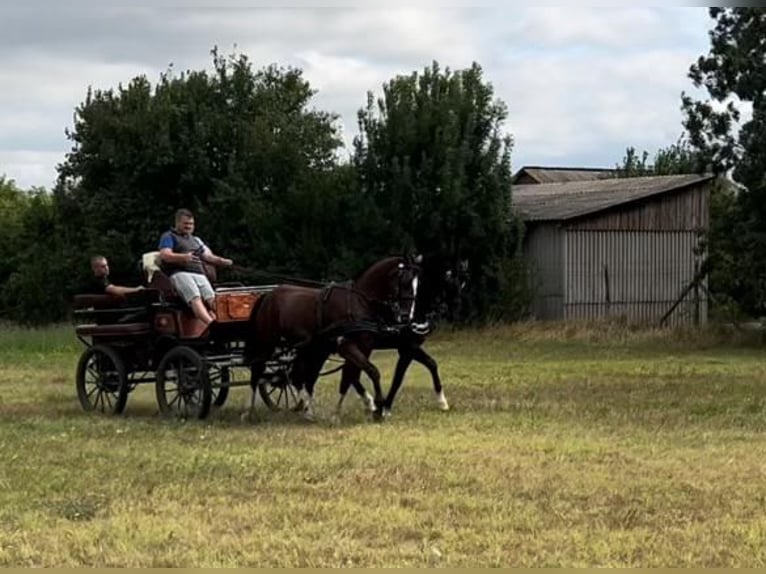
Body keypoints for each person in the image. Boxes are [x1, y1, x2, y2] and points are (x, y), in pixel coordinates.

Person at [158, 208, 233, 327]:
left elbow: (207, 256)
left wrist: (223, 261)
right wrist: (183, 257)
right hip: (180, 273)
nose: (189, 226)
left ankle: (224, 323)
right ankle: (212, 325)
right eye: (186, 223)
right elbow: (165, 255)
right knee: (195, 298)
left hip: (199, 274)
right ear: (177, 223)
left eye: (191, 224)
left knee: (212, 299)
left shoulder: (196, 240)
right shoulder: (169, 236)